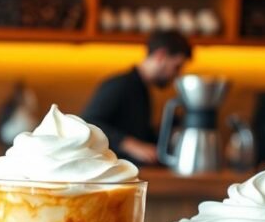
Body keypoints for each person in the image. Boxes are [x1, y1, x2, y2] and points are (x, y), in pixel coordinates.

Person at [81, 30, 192, 165]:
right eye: (176, 67)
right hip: (110, 170)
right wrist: (129, 144)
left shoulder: (143, 89)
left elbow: (138, 132)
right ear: (160, 55)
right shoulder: (121, 84)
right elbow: (88, 123)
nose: (177, 74)